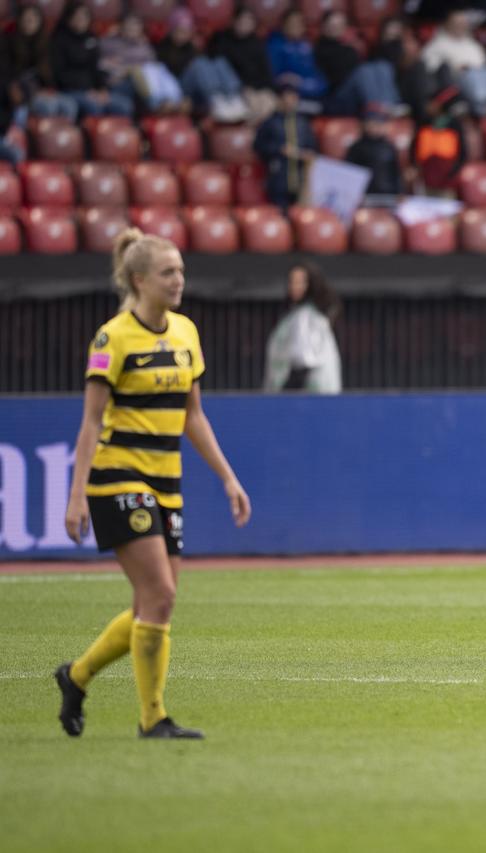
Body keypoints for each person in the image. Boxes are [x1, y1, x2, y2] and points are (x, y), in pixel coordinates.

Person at [56, 228, 251, 740]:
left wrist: (228, 478)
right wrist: (76, 495)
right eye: (168, 272)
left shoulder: (186, 333)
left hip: (167, 481)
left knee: (155, 604)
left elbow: (195, 417)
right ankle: (153, 720)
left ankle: (75, 677)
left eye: (182, 271)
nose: (179, 280)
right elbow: (91, 422)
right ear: (139, 279)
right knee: (160, 592)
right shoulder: (113, 337)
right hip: (119, 474)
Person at [158, 8, 249, 122]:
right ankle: (216, 100)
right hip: (177, 88)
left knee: (218, 61)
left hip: (197, 89)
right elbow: (163, 77)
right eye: (180, 31)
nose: (183, 35)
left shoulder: (192, 48)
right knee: (199, 63)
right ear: (172, 30)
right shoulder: (163, 49)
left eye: (186, 31)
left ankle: (233, 97)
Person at [264, 263, 343, 394]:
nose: (294, 287)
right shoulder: (297, 315)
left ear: (311, 284)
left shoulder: (307, 317)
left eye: (300, 282)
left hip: (310, 398)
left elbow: (304, 362)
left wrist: (285, 395)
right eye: (292, 282)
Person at [421, 9, 486, 117]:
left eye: (463, 23)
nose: (461, 26)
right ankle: (484, 107)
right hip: (456, 82)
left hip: (480, 76)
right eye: (457, 23)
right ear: (448, 24)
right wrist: (456, 67)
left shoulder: (472, 44)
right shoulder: (437, 44)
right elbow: (431, 67)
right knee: (472, 74)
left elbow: (484, 63)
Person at [49, 2, 134, 117]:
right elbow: (60, 74)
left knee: (125, 105)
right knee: (94, 106)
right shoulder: (59, 40)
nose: (81, 19)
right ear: (68, 18)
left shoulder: (91, 38)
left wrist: (102, 89)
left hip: (92, 91)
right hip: (70, 90)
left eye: (84, 16)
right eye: (77, 16)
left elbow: (96, 67)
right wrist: (86, 91)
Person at [314, 10, 402, 116]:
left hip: (356, 88)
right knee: (364, 71)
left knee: (382, 66)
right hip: (337, 94)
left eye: (340, 25)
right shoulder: (320, 48)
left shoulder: (348, 48)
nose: (336, 28)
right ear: (324, 26)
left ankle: (391, 105)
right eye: (332, 25)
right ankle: (375, 112)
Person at [253, 81, 318, 209]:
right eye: (286, 97)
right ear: (279, 99)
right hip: (278, 178)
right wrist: (278, 149)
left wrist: (308, 154)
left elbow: (312, 147)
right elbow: (258, 146)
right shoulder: (270, 122)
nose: (290, 101)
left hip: (300, 179)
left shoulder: (303, 123)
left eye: (293, 97)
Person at [7, 5, 79, 120]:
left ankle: (62, 135)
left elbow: (50, 74)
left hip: (43, 91)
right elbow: (10, 77)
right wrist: (34, 93)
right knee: (49, 106)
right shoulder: (9, 42)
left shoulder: (46, 43)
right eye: (26, 18)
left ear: (40, 21)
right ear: (19, 20)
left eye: (34, 18)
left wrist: (49, 89)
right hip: (24, 93)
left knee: (69, 105)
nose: (30, 21)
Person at [208, 6, 278, 123]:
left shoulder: (257, 44)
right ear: (233, 21)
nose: (244, 24)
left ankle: (251, 132)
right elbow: (218, 68)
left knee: (270, 102)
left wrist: (258, 89)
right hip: (233, 90)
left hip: (257, 89)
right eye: (241, 20)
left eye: (248, 21)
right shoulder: (221, 39)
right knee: (252, 104)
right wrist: (243, 88)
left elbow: (266, 74)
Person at [267, 9, 328, 105]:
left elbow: (321, 83)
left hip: (310, 96)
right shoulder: (274, 46)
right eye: (292, 23)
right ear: (283, 25)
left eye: (299, 23)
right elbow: (275, 78)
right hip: (286, 98)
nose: (296, 26)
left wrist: (302, 84)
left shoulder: (307, 47)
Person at [345, 103, 402, 196]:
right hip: (365, 197)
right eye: (370, 122)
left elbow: (396, 174)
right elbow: (349, 175)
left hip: (389, 196)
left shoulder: (389, 147)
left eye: (378, 123)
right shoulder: (356, 148)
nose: (374, 126)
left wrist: (400, 192)